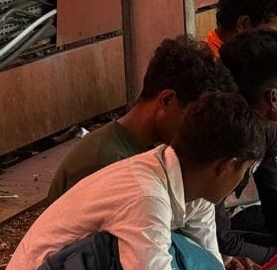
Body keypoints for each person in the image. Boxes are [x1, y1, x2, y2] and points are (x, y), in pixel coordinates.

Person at [0, 93, 265, 270]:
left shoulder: (192, 192)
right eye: (245, 172)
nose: (241, 181)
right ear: (227, 166)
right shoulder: (145, 197)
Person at [46, 37, 236, 201]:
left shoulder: (149, 149)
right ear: (167, 100)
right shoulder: (103, 162)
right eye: (197, 116)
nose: (200, 129)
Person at [216, 30, 277, 265]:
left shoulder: (267, 129)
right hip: (208, 242)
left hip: (230, 229)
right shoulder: (220, 137)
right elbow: (218, 241)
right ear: (272, 97)